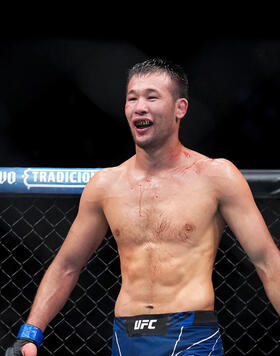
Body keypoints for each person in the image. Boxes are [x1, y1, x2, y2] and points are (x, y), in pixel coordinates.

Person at [5, 58, 280, 356]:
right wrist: (29, 334)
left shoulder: (216, 176)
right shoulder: (106, 185)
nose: (139, 107)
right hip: (126, 338)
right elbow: (67, 265)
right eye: (131, 98)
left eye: (152, 97)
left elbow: (267, 261)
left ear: (180, 108)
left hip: (190, 337)